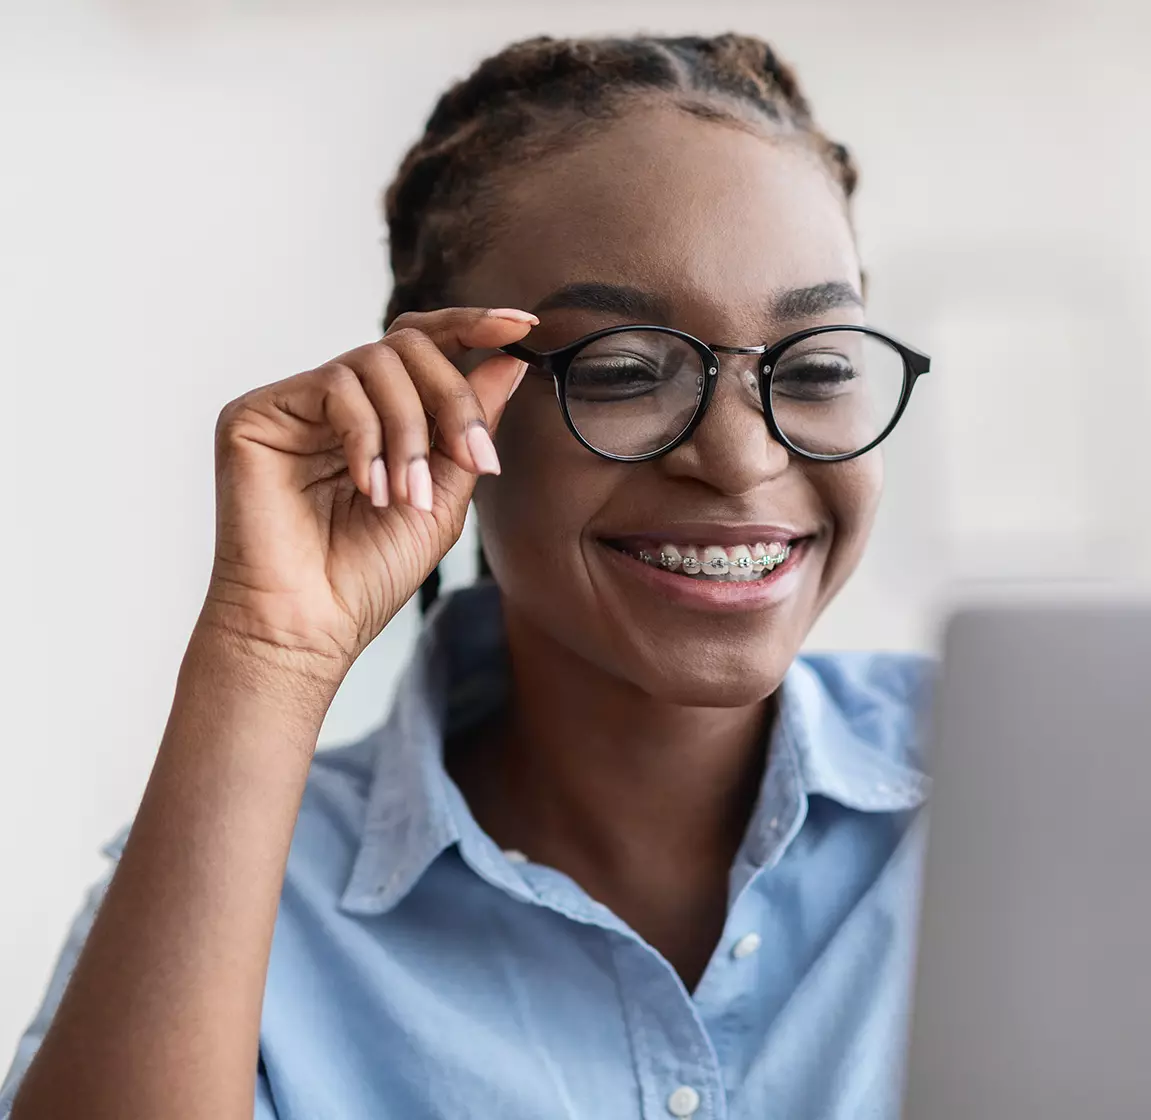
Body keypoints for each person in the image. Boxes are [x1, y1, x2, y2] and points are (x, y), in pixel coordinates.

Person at [3, 32, 932, 1120]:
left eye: (816, 365)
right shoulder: (242, 904)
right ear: (446, 402)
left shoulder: (1024, 789)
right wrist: (268, 649)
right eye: (626, 370)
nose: (740, 459)